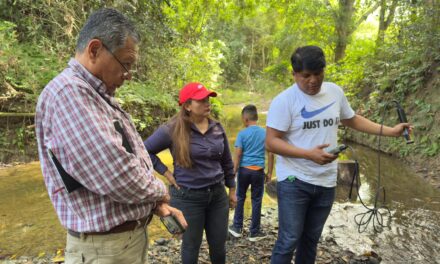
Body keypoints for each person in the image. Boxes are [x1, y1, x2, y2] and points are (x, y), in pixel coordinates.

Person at [35, 8, 186, 264]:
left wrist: (154, 205)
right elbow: (115, 174)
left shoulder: (97, 97)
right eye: (125, 64)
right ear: (95, 50)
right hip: (104, 250)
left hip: (117, 245)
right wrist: (160, 191)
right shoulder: (69, 94)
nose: (128, 75)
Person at [266, 46, 412, 264]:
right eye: (306, 76)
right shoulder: (284, 101)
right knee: (288, 240)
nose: (313, 80)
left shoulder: (334, 92)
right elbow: (271, 142)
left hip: (326, 182)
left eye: (318, 74)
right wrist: (308, 154)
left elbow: (351, 119)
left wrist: (390, 131)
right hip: (294, 180)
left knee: (311, 240)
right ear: (294, 74)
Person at [144, 82, 236, 264]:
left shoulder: (217, 127)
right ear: (187, 105)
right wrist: (166, 173)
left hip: (217, 196)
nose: (207, 103)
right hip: (188, 197)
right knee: (191, 247)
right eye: (201, 100)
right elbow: (145, 150)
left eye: (208, 99)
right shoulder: (172, 129)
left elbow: (227, 161)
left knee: (219, 246)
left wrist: (232, 189)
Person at [228, 104, 274, 242]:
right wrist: (269, 173)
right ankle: (254, 232)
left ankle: (237, 228)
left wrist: (234, 171)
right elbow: (271, 154)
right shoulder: (265, 133)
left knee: (240, 197)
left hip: (244, 170)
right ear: (256, 117)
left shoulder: (242, 134)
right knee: (257, 200)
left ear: (245, 119)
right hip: (258, 171)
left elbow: (237, 154)